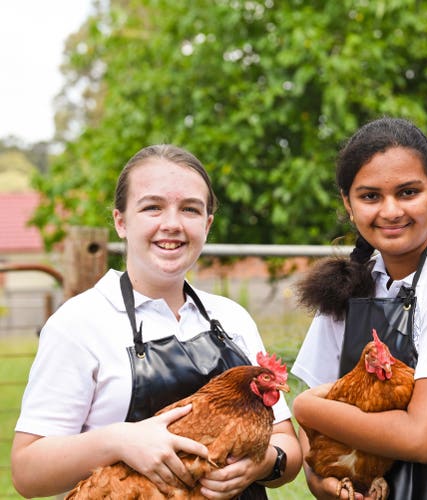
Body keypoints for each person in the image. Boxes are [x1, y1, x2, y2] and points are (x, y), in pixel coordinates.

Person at [11, 144, 302, 498]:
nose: (172, 224)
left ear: (207, 225)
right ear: (121, 221)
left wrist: (262, 461)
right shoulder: (79, 324)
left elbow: (289, 445)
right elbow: (27, 472)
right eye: (152, 207)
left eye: (190, 210)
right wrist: (117, 440)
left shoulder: (231, 318)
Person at [291, 116, 427, 500]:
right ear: (348, 204)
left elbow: (422, 437)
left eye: (408, 192)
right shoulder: (349, 286)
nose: (391, 211)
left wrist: (306, 407)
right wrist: (327, 481)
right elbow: (314, 443)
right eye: (370, 196)